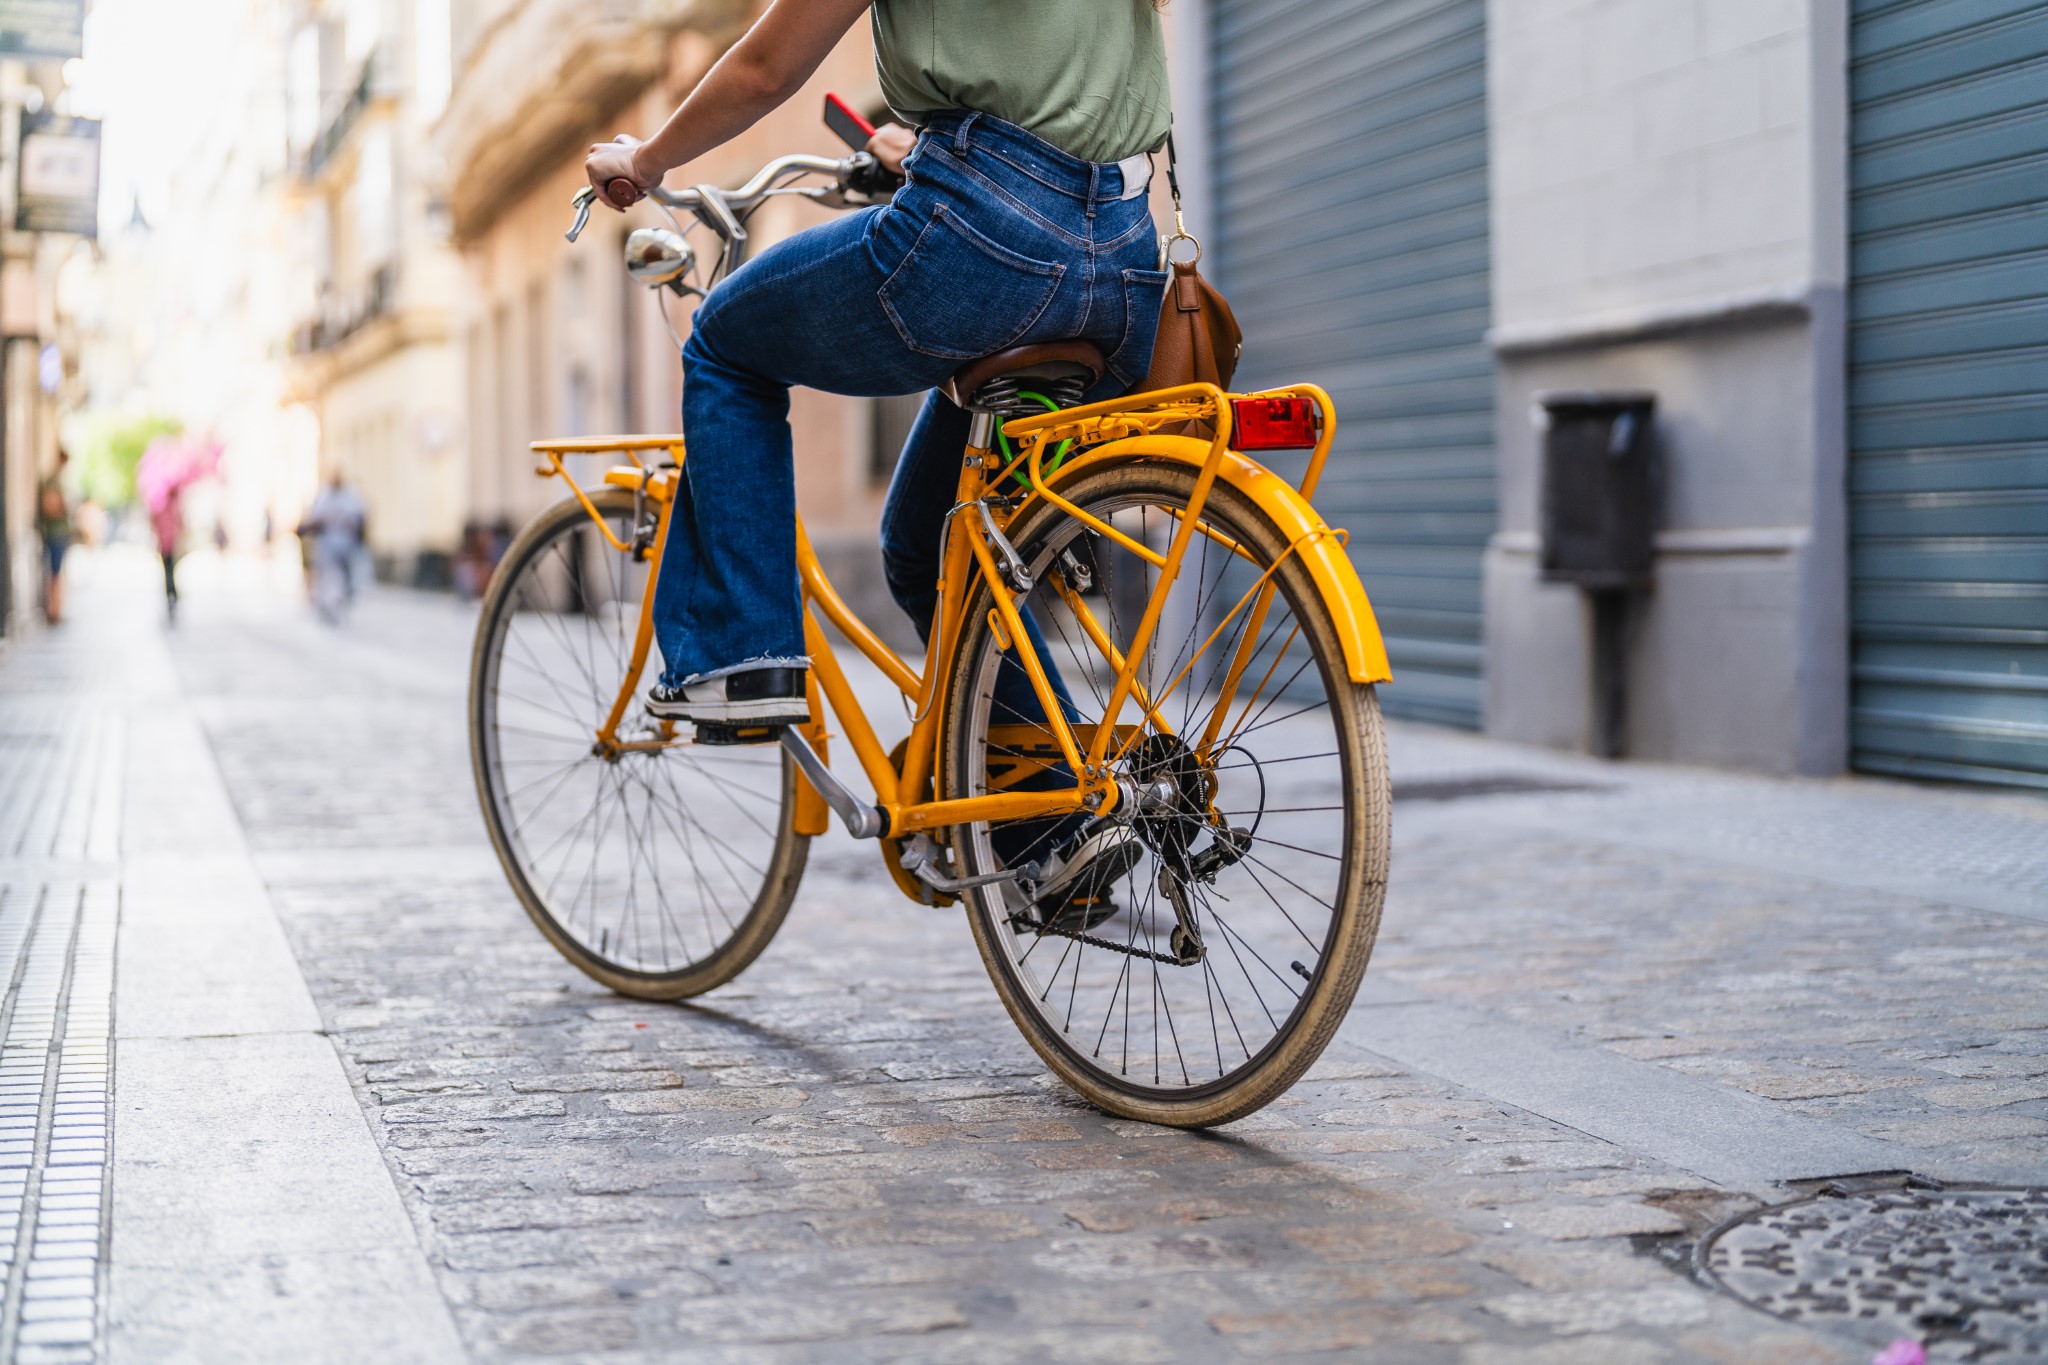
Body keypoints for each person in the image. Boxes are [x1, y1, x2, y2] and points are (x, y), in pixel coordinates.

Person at [584, 0, 1169, 739]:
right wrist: (938, 146)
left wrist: (643, 160)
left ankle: (740, 659)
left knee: (724, 343)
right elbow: (1054, 101)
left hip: (982, 248)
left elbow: (764, 71)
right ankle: (1053, 819)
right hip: (1122, 267)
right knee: (927, 543)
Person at [298, 472, 368, 623]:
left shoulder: (350, 497)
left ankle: (337, 601)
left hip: (344, 545)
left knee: (342, 574)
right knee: (330, 575)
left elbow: (360, 520)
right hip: (329, 546)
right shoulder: (326, 497)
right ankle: (329, 603)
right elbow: (316, 520)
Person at [35, 449, 72, 626]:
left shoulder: (55, 481)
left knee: (56, 572)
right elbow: (51, 506)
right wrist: (64, 508)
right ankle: (53, 610)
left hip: (58, 533)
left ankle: (56, 609)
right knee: (55, 573)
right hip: (55, 533)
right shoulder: (53, 481)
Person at [151, 483, 184, 622]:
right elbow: (180, 525)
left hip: (166, 545)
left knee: (168, 572)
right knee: (171, 572)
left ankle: (171, 595)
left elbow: (154, 524)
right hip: (170, 544)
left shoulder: (162, 508)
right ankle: (172, 595)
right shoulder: (172, 508)